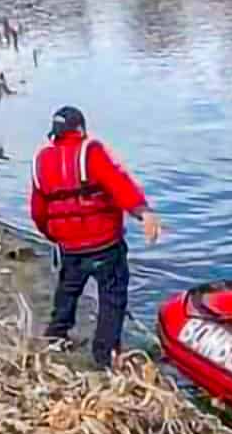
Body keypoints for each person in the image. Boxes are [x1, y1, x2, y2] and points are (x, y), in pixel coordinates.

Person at [30, 106, 162, 370]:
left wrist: (55, 235)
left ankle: (56, 336)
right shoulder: (91, 152)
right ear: (80, 129)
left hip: (69, 247)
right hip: (105, 245)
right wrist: (143, 212)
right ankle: (105, 355)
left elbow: (38, 212)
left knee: (67, 290)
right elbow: (119, 183)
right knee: (112, 297)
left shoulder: (41, 160)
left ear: (55, 133)